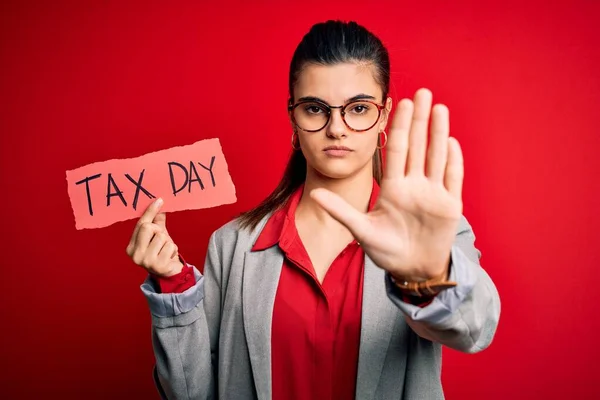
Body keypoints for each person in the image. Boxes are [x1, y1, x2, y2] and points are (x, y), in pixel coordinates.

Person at [127, 20, 500, 400]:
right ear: (293, 116)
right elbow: (192, 394)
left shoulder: (427, 236)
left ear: (384, 115)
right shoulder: (232, 246)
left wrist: (427, 275)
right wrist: (173, 285)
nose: (337, 128)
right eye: (315, 108)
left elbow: (476, 330)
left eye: (358, 108)